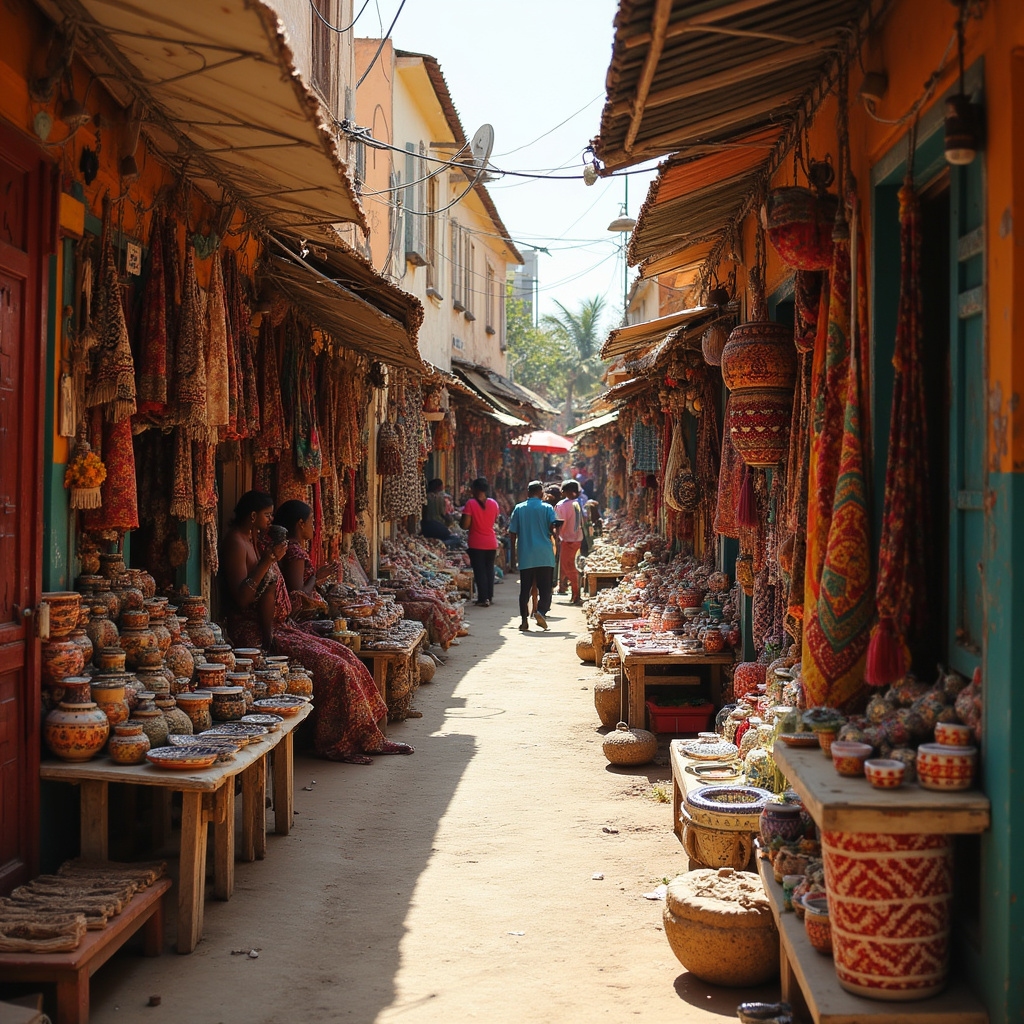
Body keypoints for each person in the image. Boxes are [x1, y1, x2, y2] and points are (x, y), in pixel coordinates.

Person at [221, 490, 413, 765]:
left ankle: (371, 736)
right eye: (266, 515)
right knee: (337, 667)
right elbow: (242, 599)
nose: (271, 520)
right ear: (252, 516)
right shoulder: (235, 543)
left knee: (347, 656)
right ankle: (337, 743)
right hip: (259, 633)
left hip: (282, 626)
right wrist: (268, 562)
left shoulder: (254, 539)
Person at [508, 480, 559, 632]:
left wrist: (512, 558)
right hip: (544, 554)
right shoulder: (547, 508)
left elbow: (512, 534)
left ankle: (524, 620)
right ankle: (541, 612)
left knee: (525, 590)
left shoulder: (519, 508)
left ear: (528, 492)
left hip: (526, 554)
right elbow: (553, 528)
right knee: (546, 588)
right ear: (541, 493)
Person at [460, 477, 499, 607]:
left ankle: (483, 598)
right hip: (491, 542)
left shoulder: (471, 503)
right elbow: (494, 520)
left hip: (477, 543)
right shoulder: (493, 503)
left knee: (480, 571)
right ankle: (489, 596)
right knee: (489, 570)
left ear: (474, 490)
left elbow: (465, 525)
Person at [555, 480, 585, 605]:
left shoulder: (562, 505)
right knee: (574, 566)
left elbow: (559, 522)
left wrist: (556, 536)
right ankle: (575, 592)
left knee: (568, 567)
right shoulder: (577, 503)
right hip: (578, 539)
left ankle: (576, 593)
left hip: (567, 539)